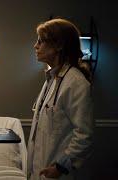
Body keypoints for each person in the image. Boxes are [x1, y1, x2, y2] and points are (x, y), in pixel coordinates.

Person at [27, 18, 94, 180]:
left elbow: (85, 134)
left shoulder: (75, 83)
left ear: (59, 45)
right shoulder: (51, 80)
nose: (35, 46)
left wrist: (60, 167)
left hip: (56, 173)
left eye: (41, 41)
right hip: (38, 170)